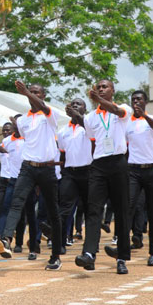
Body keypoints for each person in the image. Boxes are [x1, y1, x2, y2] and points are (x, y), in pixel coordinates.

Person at [0, 82, 63, 271]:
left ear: (43, 95)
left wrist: (26, 93)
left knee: (53, 211)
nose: (33, 95)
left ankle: (55, 255)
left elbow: (43, 108)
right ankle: (6, 239)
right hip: (28, 167)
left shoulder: (50, 115)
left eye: (37, 92)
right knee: (17, 202)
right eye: (30, 92)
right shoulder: (23, 120)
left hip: (47, 168)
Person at [74, 79, 132, 275]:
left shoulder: (123, 109)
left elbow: (117, 112)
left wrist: (99, 100)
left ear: (113, 91)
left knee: (121, 210)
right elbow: (93, 141)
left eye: (104, 87)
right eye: (98, 87)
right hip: (99, 164)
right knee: (93, 210)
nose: (101, 89)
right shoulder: (90, 117)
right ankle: (89, 253)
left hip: (118, 162)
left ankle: (122, 256)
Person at [111, 90, 153, 267]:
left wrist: (144, 116)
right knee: (127, 210)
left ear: (146, 102)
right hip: (133, 171)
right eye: (133, 100)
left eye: (139, 99)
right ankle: (121, 250)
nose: (136, 102)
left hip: (152, 170)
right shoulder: (128, 123)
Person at [58, 99, 92, 254]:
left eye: (79, 104)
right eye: (73, 104)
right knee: (65, 209)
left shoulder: (88, 126)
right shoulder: (62, 131)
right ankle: (61, 241)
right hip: (70, 173)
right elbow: (62, 155)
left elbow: (91, 131)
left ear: (85, 109)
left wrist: (78, 116)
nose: (76, 106)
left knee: (90, 209)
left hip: (88, 171)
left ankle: (91, 245)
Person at [0, 122, 23, 240]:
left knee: (18, 210)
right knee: (0, 208)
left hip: (18, 180)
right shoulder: (1, 146)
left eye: (8, 130)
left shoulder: (21, 143)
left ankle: (18, 240)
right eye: (4, 130)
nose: (5, 132)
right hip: (4, 181)